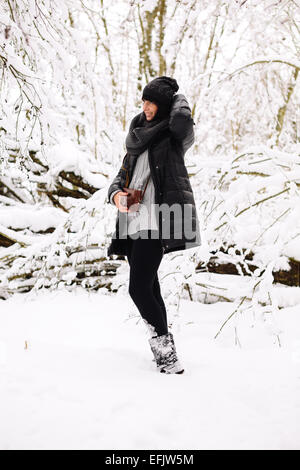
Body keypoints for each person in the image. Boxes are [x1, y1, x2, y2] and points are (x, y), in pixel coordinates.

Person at [107, 76, 201, 374]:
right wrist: (116, 196)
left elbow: (184, 123)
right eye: (144, 102)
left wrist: (177, 97)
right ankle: (167, 356)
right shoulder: (136, 137)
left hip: (158, 221)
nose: (146, 107)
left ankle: (166, 354)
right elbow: (119, 179)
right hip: (132, 219)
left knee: (138, 289)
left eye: (153, 102)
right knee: (150, 287)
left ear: (163, 106)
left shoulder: (171, 139)